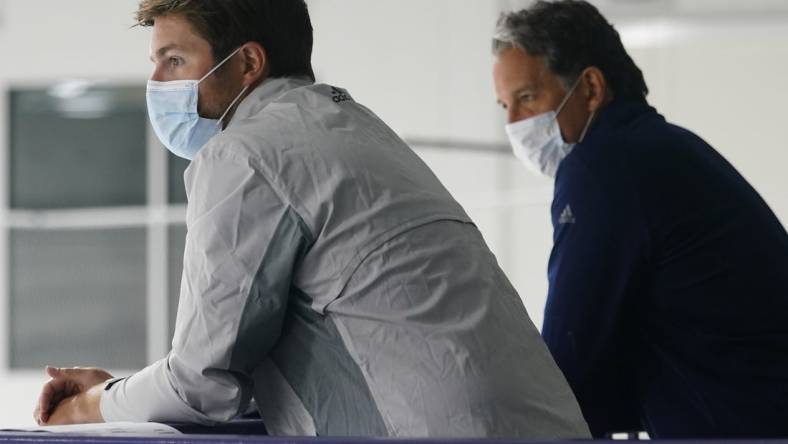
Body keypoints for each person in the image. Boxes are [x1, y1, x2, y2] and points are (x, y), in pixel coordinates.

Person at [32, 0, 591, 439]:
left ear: (248, 62)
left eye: (175, 60)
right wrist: (120, 388)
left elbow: (202, 385)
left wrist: (87, 407)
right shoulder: (351, 125)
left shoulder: (246, 154)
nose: (157, 82)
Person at [492, 0, 788, 439]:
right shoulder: (665, 148)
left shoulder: (603, 168)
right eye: (504, 107)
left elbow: (567, 366)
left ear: (590, 88)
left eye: (528, 97)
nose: (514, 123)